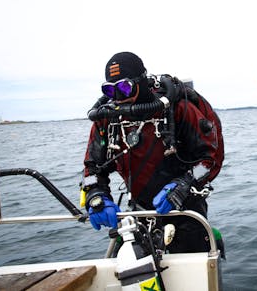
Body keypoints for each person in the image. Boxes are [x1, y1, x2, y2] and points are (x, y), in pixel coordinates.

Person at [82, 52, 224, 254]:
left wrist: (184, 184)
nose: (119, 97)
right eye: (111, 90)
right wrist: (96, 195)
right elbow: (92, 169)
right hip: (140, 214)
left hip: (186, 211)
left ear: (141, 82)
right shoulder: (108, 119)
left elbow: (210, 159)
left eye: (124, 87)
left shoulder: (177, 109)